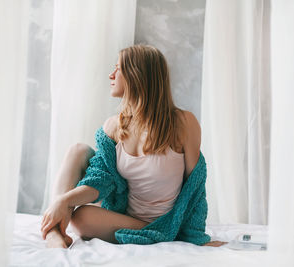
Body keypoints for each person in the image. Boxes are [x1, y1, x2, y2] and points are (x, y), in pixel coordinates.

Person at [40, 44, 226, 248]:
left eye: (118, 68)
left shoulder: (183, 123)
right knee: (78, 152)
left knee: (81, 218)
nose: (111, 75)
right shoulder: (113, 127)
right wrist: (64, 201)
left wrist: (195, 236)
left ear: (136, 75)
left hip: (167, 222)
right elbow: (99, 181)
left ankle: (163, 233)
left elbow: (195, 187)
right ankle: (54, 233)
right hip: (126, 218)